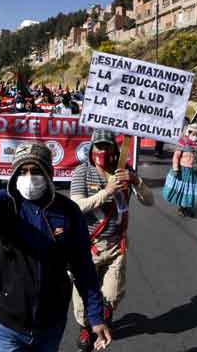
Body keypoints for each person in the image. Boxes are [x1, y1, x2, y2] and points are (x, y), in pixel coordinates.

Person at [0, 139, 112, 352]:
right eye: (22, 171)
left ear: (48, 174)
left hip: (50, 324)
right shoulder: (3, 205)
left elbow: (83, 267)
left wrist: (96, 316)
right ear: (14, 175)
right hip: (7, 324)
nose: (29, 177)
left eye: (36, 170)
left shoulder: (69, 212)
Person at [70, 130, 154, 351]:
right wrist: (106, 192)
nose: (103, 151)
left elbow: (149, 200)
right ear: (91, 150)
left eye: (107, 147)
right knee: (83, 293)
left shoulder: (124, 171)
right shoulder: (82, 172)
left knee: (113, 294)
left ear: (115, 150)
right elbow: (77, 207)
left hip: (117, 245)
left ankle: (102, 317)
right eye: (98, 147)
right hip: (88, 245)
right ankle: (85, 328)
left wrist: (136, 180)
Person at [162, 124, 197, 217]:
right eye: (193, 132)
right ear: (189, 132)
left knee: (192, 190)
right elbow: (176, 156)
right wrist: (175, 169)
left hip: (195, 170)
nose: (195, 135)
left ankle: (187, 206)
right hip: (184, 170)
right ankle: (181, 208)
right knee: (183, 190)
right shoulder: (183, 141)